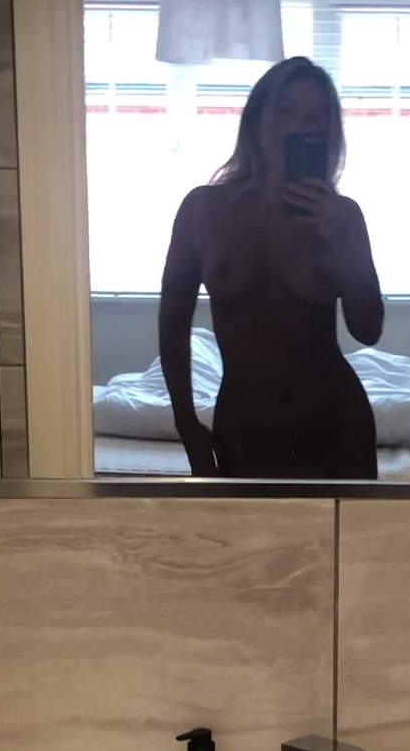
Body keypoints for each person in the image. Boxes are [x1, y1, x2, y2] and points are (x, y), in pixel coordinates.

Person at [158, 56, 384, 480]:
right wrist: (187, 426)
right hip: (246, 432)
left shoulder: (343, 216)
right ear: (257, 119)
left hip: (337, 430)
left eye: (316, 117)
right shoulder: (203, 210)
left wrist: (340, 240)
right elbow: (172, 326)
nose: (301, 126)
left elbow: (368, 329)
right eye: (286, 110)